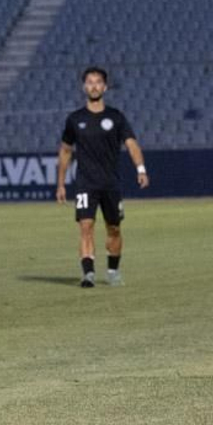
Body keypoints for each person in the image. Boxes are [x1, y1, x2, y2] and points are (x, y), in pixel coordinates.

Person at [54, 67, 148, 287]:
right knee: (86, 226)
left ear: (105, 87)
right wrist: (60, 184)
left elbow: (131, 144)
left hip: (111, 183)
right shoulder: (75, 119)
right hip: (86, 182)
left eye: (98, 82)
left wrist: (141, 169)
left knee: (114, 228)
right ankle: (88, 274)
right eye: (90, 82)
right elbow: (66, 151)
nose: (94, 85)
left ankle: (113, 270)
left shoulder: (116, 117)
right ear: (84, 87)